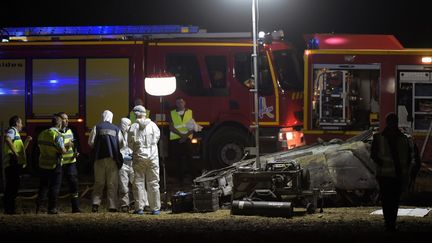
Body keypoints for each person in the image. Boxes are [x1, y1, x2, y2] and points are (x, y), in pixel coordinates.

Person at [371, 112, 413, 231]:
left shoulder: (379, 138)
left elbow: (373, 155)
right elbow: (409, 157)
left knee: (388, 201)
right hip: (394, 176)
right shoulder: (403, 138)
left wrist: (381, 163)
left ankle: (389, 223)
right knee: (393, 201)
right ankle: (391, 223)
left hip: (385, 175)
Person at [128, 105, 161, 215]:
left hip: (139, 157)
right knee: (153, 182)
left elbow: (130, 143)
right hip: (153, 157)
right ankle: (155, 208)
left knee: (138, 182)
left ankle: (139, 208)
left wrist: (137, 150)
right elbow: (157, 139)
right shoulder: (153, 126)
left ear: (136, 114)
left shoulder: (133, 127)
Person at [88, 110, 123, 213]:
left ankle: (95, 204)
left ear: (102, 116)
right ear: (111, 117)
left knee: (99, 182)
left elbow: (91, 142)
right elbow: (121, 144)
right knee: (112, 183)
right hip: (112, 159)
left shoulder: (97, 127)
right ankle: (112, 206)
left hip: (99, 158)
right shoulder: (116, 129)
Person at [36, 115, 70, 214]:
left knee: (43, 186)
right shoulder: (57, 135)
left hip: (43, 164)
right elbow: (62, 151)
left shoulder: (42, 133)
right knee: (55, 187)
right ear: (59, 123)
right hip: (55, 165)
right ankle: (52, 208)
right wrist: (68, 146)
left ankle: (38, 207)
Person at [2, 115, 32, 214]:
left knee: (13, 187)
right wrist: (15, 154)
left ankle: (10, 209)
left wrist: (26, 142)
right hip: (11, 163)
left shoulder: (16, 134)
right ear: (16, 123)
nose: (22, 125)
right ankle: (9, 210)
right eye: (21, 123)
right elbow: (7, 138)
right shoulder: (12, 131)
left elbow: (21, 150)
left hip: (14, 164)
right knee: (11, 187)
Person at [56, 112, 81, 213]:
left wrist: (76, 152)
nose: (67, 121)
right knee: (56, 186)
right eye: (64, 119)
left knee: (74, 184)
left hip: (71, 162)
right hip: (59, 163)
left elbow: (73, 144)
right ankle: (54, 208)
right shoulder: (56, 133)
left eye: (67, 118)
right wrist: (67, 145)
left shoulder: (70, 131)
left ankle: (75, 208)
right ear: (59, 120)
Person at [168, 97, 194, 186]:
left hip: (186, 139)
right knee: (178, 160)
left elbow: (192, 127)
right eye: (178, 102)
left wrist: (185, 136)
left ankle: (191, 178)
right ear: (176, 104)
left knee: (189, 159)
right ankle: (180, 179)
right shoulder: (172, 113)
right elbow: (171, 127)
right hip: (177, 139)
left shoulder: (189, 112)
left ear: (184, 103)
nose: (180, 104)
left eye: (181, 102)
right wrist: (182, 136)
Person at [118, 117, 135, 213]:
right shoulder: (118, 134)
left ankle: (141, 203)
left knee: (136, 183)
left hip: (132, 162)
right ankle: (125, 204)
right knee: (123, 185)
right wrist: (122, 156)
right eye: (126, 125)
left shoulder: (132, 133)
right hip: (123, 163)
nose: (128, 127)